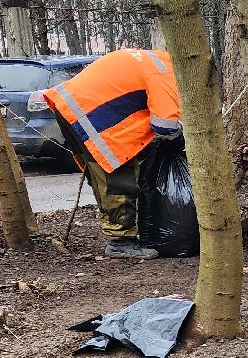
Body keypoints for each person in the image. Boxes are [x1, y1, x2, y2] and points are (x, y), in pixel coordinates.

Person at [42, 47, 183, 260]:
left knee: (104, 177)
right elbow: (165, 125)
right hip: (93, 117)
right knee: (117, 177)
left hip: (72, 108)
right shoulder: (164, 73)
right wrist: (181, 144)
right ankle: (120, 242)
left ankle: (119, 234)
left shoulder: (155, 60)